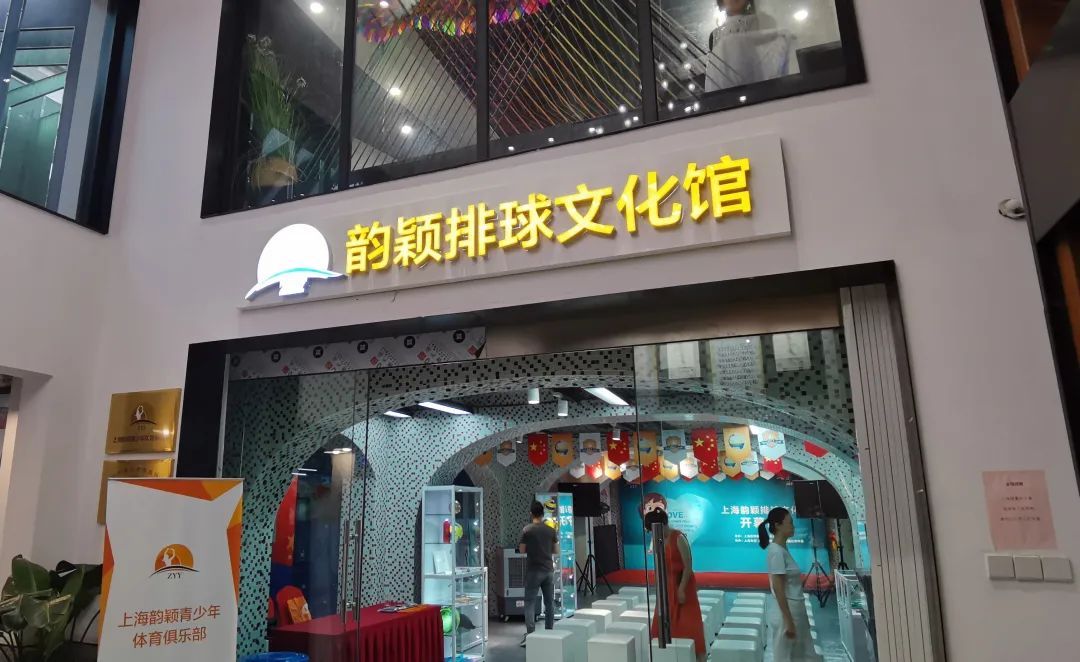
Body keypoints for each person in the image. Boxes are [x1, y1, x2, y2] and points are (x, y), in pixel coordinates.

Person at [645, 506, 706, 662]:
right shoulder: (658, 539)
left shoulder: (678, 538)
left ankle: (698, 657)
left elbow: (688, 566)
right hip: (666, 587)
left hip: (682, 584)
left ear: (662, 525)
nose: (652, 533)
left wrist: (681, 589)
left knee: (689, 626)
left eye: (653, 529)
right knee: (663, 626)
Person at [758, 507, 816, 661]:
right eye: (790, 523)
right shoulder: (776, 552)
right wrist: (788, 620)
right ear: (778, 525)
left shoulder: (782, 549)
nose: (793, 527)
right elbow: (778, 588)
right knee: (785, 657)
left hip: (795, 609)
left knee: (803, 655)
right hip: (787, 612)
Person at [705, 0, 796, 92]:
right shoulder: (715, 35)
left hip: (761, 87)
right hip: (728, 91)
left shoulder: (763, 21)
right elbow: (715, 69)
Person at [518, 500, 559, 646]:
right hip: (548, 570)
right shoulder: (550, 530)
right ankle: (549, 632)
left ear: (531, 514)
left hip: (534, 571)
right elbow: (556, 550)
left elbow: (522, 550)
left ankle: (530, 635)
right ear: (543, 514)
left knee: (529, 603)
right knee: (549, 603)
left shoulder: (527, 530)